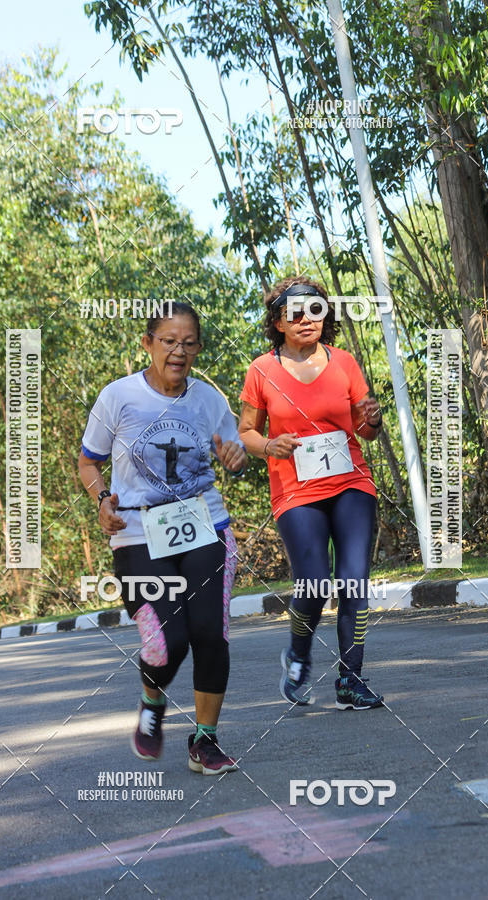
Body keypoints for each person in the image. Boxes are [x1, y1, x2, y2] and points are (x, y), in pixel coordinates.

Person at [78, 301, 246, 774]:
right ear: (147, 344)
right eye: (169, 341)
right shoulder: (119, 397)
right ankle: (153, 699)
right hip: (137, 532)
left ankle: (205, 741)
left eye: (189, 343)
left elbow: (233, 452)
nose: (179, 351)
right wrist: (101, 499)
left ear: (198, 349)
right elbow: (89, 462)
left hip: (203, 524)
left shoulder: (210, 401)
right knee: (166, 643)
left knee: (211, 632)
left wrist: (235, 458)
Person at [238, 277, 384, 710]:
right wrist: (268, 446)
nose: (307, 320)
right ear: (278, 321)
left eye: (316, 311)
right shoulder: (262, 370)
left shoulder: (344, 363)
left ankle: (350, 680)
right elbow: (246, 431)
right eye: (296, 313)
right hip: (295, 490)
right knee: (316, 582)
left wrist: (371, 420)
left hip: (351, 481)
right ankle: (298, 656)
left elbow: (367, 432)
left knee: (354, 580)